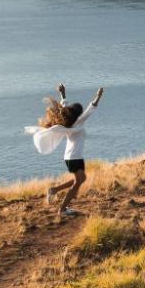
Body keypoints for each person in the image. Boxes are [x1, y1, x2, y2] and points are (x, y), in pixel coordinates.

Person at [25, 82, 104, 218]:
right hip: (74, 157)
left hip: (72, 157)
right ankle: (62, 209)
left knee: (79, 180)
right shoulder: (78, 122)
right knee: (78, 182)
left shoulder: (68, 123)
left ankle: (54, 190)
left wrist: (63, 93)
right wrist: (98, 96)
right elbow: (90, 109)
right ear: (78, 115)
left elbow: (64, 107)